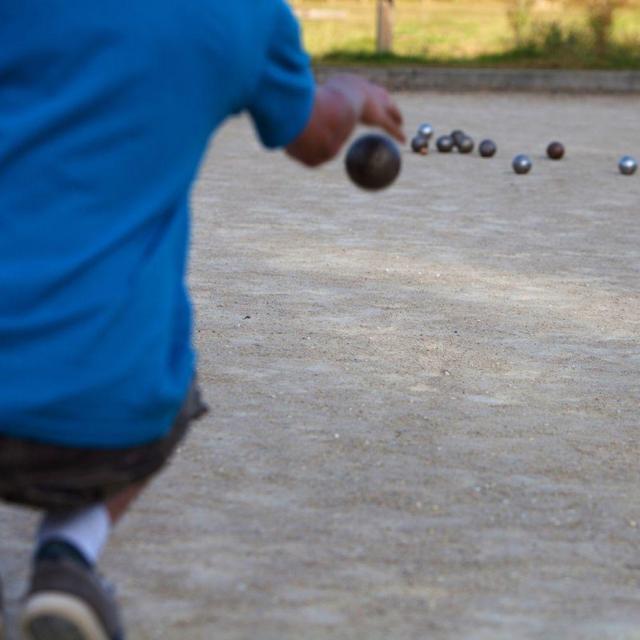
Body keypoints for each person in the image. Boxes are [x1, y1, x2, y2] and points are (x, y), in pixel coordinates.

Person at [0, 1, 405, 638]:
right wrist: (351, 92)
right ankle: (68, 558)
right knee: (165, 378)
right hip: (96, 422)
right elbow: (318, 138)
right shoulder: (241, 12)